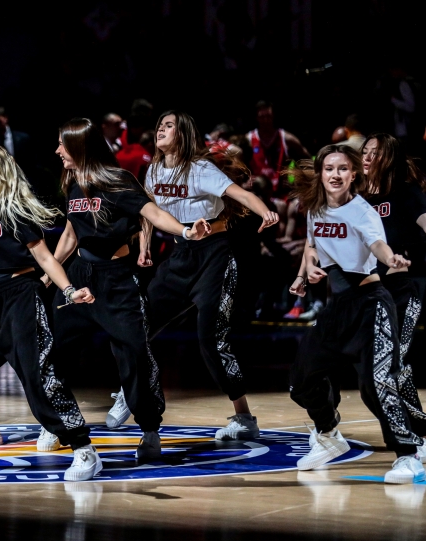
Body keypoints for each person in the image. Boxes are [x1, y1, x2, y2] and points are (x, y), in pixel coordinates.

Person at [47, 118, 210, 461]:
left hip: (116, 280)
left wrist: (185, 232)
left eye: (63, 144)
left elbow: (154, 213)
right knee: (52, 351)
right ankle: (58, 420)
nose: (58, 150)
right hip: (79, 276)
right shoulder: (72, 182)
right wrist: (51, 274)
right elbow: (71, 234)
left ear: (79, 146)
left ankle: (150, 429)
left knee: (134, 354)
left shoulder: (118, 181)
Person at [0, 145, 100, 481]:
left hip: (22, 298)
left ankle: (84, 449)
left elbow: (45, 258)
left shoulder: (16, 212)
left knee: (40, 380)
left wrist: (69, 290)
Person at [285, 144, 424, 483]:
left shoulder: (362, 211)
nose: (335, 174)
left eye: (343, 169)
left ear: (353, 175)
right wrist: (306, 272)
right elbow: (312, 246)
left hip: (371, 303)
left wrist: (390, 258)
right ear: (321, 173)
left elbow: (377, 244)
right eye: (329, 168)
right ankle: (329, 436)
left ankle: (409, 454)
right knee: (301, 380)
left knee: (375, 384)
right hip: (339, 307)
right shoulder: (315, 209)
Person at [144, 110, 280, 440]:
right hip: (181, 254)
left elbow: (242, 195)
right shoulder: (153, 170)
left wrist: (266, 212)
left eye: (168, 126)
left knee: (211, 339)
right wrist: (144, 248)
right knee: (138, 325)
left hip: (214, 255)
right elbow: (148, 212)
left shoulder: (200, 169)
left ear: (183, 133)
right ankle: (131, 392)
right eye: (159, 125)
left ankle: (243, 417)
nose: (161, 130)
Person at [362, 134, 426, 444]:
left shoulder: (406, 193)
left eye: (374, 153)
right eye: (365, 151)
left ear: (389, 159)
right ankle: (412, 426)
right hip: (371, 292)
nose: (367, 157)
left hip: (405, 287)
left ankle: (415, 430)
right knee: (375, 365)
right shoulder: (356, 200)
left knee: (395, 359)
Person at [246, 100, 310, 191]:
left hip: (282, 194)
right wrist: (245, 180)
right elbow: (236, 165)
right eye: (262, 117)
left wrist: (298, 179)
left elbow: (307, 159)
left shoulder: (286, 138)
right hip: (257, 193)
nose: (265, 120)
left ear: (273, 116)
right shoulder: (249, 139)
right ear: (256, 118)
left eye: (268, 116)